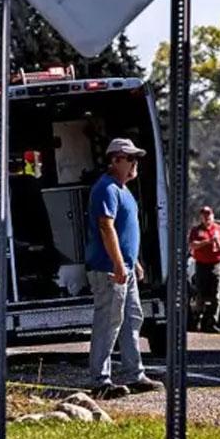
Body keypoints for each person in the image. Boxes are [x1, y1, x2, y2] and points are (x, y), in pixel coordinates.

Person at [86, 138, 162, 400]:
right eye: (130, 158)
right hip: (109, 269)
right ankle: (100, 381)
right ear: (115, 160)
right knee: (108, 322)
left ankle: (135, 375)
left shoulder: (123, 190)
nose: (134, 163)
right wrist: (118, 264)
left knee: (131, 318)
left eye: (136, 158)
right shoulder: (106, 188)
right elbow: (106, 227)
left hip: (124, 268)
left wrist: (134, 262)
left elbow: (124, 231)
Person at [188, 206, 220, 333]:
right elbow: (192, 245)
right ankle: (197, 320)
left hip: (216, 265)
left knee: (216, 295)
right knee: (200, 294)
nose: (207, 217)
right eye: (204, 215)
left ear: (213, 216)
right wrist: (207, 242)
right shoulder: (196, 230)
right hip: (201, 265)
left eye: (209, 215)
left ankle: (212, 322)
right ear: (201, 217)